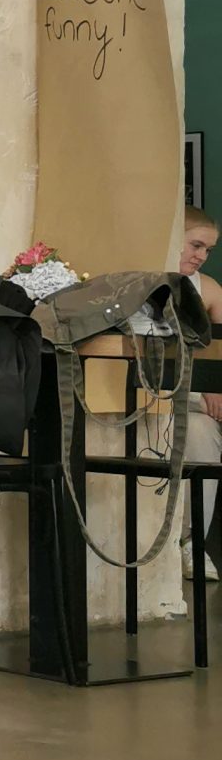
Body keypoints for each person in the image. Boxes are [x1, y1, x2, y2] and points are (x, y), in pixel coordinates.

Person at [178, 206, 222, 573]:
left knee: (205, 428)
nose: (201, 256)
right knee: (200, 430)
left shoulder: (209, 288)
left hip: (197, 397)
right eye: (195, 245)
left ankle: (194, 542)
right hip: (163, 390)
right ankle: (188, 542)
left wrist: (215, 385)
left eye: (208, 250)